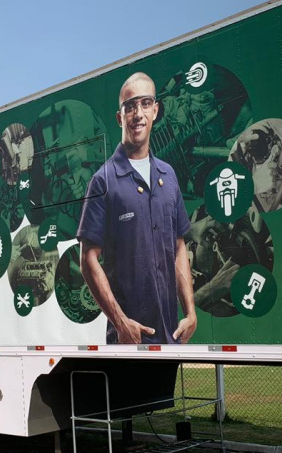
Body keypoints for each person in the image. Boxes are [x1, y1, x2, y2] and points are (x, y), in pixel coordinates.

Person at [77, 72, 197, 345]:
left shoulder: (168, 175)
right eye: (129, 106)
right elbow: (88, 259)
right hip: (127, 341)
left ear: (155, 111)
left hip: (170, 337)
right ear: (120, 118)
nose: (137, 113)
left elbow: (178, 247)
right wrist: (120, 323)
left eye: (145, 104)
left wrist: (190, 312)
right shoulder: (103, 181)